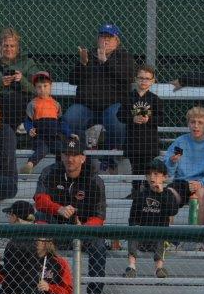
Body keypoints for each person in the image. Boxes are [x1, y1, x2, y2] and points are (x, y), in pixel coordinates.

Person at [33, 134, 107, 294]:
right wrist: (59, 209)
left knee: (99, 243)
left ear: (83, 158)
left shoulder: (95, 181)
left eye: (74, 155)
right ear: (61, 156)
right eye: (66, 154)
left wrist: (84, 229)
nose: (70, 159)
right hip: (55, 229)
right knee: (40, 221)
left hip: (83, 230)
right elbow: (39, 200)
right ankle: (33, 284)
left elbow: (99, 217)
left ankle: (95, 292)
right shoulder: (50, 172)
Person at [64, 23, 136, 167]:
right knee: (70, 118)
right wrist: (82, 64)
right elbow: (72, 79)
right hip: (86, 106)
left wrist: (106, 62)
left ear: (117, 41)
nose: (106, 40)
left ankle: (111, 159)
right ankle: (74, 156)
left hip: (112, 106)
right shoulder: (89, 55)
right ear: (98, 39)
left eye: (109, 37)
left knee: (117, 119)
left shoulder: (124, 57)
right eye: (103, 37)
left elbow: (128, 77)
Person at [126, 158, 180, 279]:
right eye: (149, 174)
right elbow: (132, 217)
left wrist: (161, 193)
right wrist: (135, 228)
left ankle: (159, 268)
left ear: (164, 177)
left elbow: (173, 211)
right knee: (132, 232)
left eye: (155, 174)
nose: (152, 177)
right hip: (142, 235)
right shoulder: (141, 195)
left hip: (159, 235)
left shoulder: (168, 194)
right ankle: (131, 267)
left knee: (162, 235)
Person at [162, 106, 204, 217]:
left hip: (202, 184)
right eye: (192, 122)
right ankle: (166, 228)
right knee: (167, 197)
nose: (196, 126)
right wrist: (172, 162)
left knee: (201, 195)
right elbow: (168, 172)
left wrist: (201, 183)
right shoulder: (180, 142)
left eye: (200, 122)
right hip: (181, 183)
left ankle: (199, 228)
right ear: (188, 124)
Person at [123, 64, 162, 181]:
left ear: (152, 81)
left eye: (147, 78)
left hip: (149, 143)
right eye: (141, 78)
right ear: (136, 79)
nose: (144, 81)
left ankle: (147, 189)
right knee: (135, 170)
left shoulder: (155, 99)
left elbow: (161, 118)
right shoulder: (128, 98)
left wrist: (149, 119)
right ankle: (135, 190)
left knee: (148, 170)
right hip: (133, 142)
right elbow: (120, 115)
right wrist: (132, 118)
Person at [22, 71, 63, 174]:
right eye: (39, 87)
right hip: (39, 137)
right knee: (42, 149)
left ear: (51, 86)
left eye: (45, 86)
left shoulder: (56, 104)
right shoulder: (32, 104)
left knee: (61, 149)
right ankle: (29, 165)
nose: (42, 89)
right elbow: (28, 121)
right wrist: (29, 129)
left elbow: (61, 122)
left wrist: (69, 133)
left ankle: (60, 170)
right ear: (35, 88)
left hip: (54, 137)